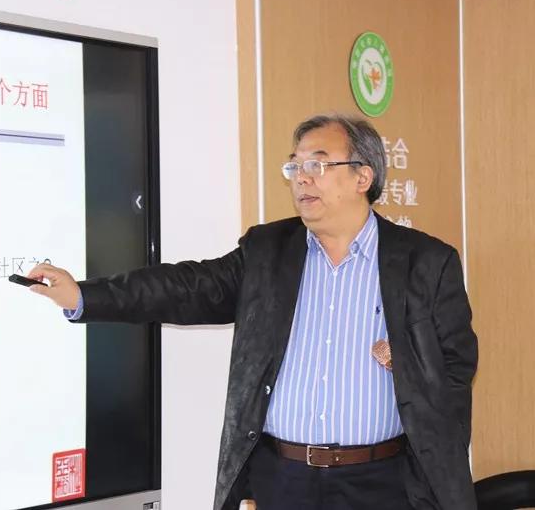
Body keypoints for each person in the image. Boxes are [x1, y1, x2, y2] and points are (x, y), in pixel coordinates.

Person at [27, 114, 478, 510]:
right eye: (295, 166)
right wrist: (85, 295)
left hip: (383, 481)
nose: (301, 178)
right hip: (283, 479)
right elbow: (186, 287)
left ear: (363, 176)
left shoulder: (426, 262)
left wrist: (410, 363)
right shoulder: (267, 252)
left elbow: (457, 367)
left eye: (317, 165)